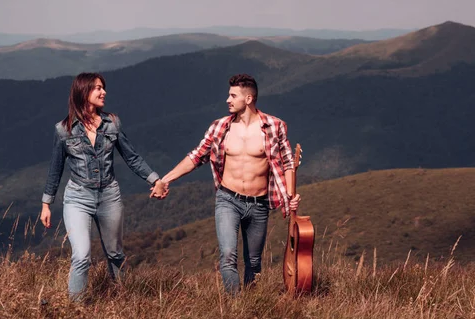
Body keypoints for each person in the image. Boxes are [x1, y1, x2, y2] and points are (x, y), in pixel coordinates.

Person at [161, 73, 300, 294]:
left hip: (259, 203)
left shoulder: (275, 127)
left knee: (253, 262)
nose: (228, 99)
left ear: (248, 99)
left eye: (233, 95)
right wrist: (165, 179)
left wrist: (291, 196)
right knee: (227, 255)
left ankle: (250, 305)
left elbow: (287, 164)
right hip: (228, 199)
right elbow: (196, 157)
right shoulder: (219, 127)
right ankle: (235, 309)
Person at [40, 72, 168, 300]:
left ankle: (123, 302)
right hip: (77, 198)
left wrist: (155, 179)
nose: (103, 92)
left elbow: (132, 157)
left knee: (116, 255)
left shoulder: (112, 124)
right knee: (81, 255)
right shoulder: (63, 130)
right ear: (83, 92)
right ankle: (75, 312)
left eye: (103, 87)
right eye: (97, 88)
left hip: (109, 196)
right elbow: (55, 168)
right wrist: (46, 203)